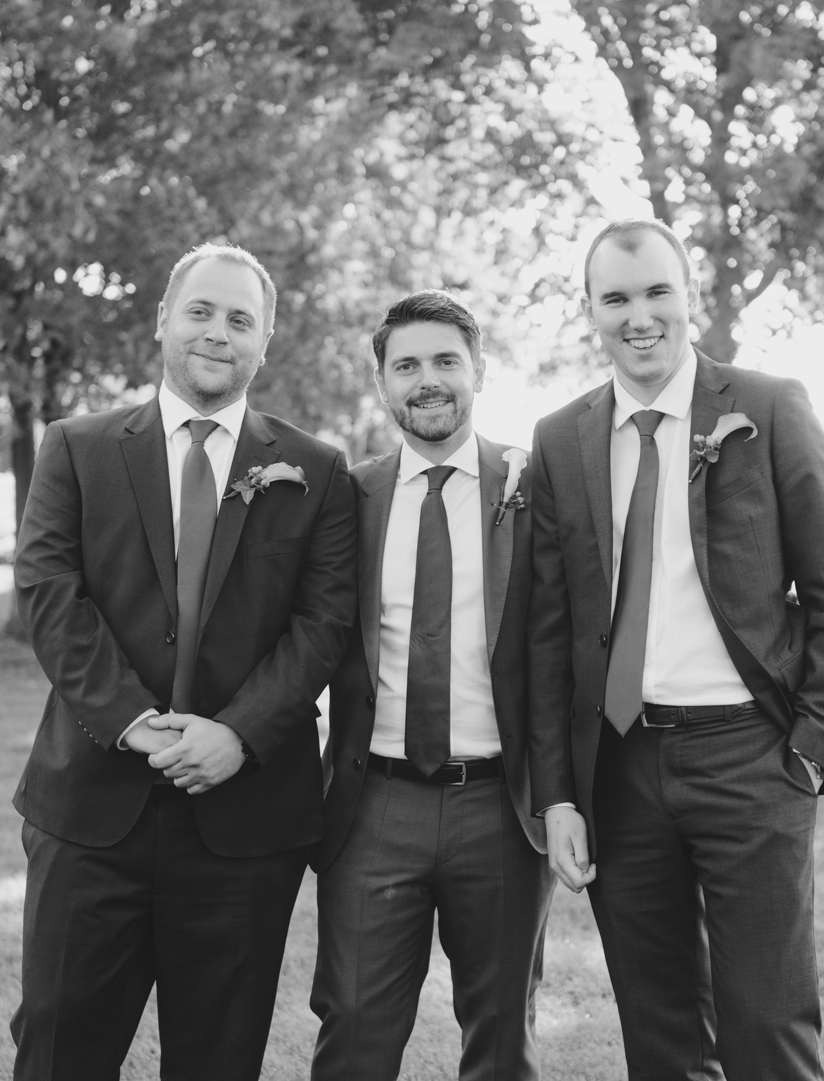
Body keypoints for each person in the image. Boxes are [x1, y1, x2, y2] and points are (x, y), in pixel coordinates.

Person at [527, 219, 824, 1081]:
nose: (638, 315)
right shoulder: (561, 438)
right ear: (592, 312)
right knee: (661, 1036)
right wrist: (560, 794)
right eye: (616, 298)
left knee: (770, 1029)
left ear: (688, 299)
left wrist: (810, 749)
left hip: (751, 758)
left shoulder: (766, 407)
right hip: (620, 766)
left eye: (656, 293)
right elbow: (547, 633)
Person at [9, 242, 358, 1081]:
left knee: (219, 1062)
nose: (218, 332)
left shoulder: (315, 470)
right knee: (59, 1053)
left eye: (242, 320)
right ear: (165, 319)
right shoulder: (78, 446)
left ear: (265, 342)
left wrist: (237, 734)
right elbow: (49, 593)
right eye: (201, 311)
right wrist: (133, 722)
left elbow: (322, 623)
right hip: (93, 812)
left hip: (244, 828)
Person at [311, 290, 555, 1080]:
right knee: (352, 1027)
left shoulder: (533, 487)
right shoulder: (346, 496)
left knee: (501, 1035)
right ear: (380, 379)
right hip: (374, 804)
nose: (428, 380)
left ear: (478, 368)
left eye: (446, 360)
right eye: (406, 363)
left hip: (500, 806)